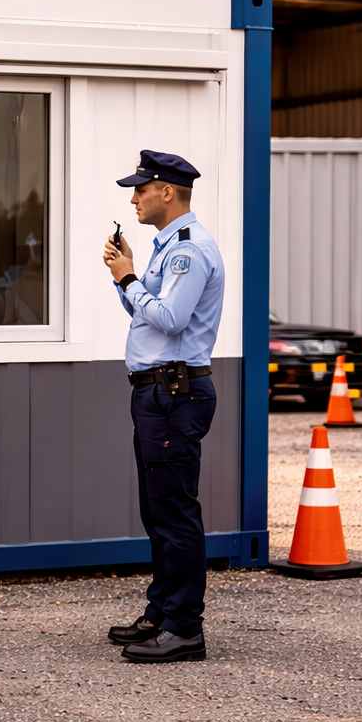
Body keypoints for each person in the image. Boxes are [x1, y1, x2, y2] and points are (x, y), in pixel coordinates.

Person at [101, 150, 225, 664]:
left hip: (175, 394)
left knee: (175, 512)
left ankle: (185, 628)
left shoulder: (189, 251)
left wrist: (130, 277)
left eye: (140, 189)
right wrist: (122, 276)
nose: (134, 199)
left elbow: (170, 318)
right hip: (157, 393)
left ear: (166, 192)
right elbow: (145, 312)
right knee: (158, 510)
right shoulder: (168, 247)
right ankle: (161, 612)